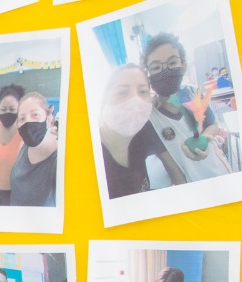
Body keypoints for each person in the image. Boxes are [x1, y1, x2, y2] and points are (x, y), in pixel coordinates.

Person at [143, 33, 231, 182]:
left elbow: (212, 125)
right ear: (148, 74)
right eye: (156, 67)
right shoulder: (150, 116)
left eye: (172, 63)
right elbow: (171, 167)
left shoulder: (192, 93)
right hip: (190, 182)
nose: (165, 71)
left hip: (219, 171)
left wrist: (205, 138)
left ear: (183, 66)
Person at [98, 64, 186, 198]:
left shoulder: (143, 134)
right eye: (122, 92)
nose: (135, 100)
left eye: (143, 92)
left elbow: (177, 174)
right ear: (104, 100)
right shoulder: (90, 156)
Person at [9, 92, 59, 206]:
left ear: (48, 119)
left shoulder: (59, 159)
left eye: (35, 115)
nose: (27, 122)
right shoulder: (22, 147)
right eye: (22, 118)